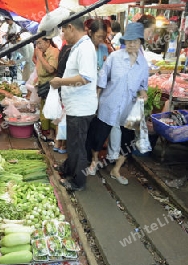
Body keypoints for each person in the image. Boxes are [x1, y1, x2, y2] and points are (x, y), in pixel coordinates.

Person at [86, 23, 148, 184]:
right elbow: (101, 81)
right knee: (98, 138)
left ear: (141, 42)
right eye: (129, 41)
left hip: (129, 109)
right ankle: (94, 162)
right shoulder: (114, 58)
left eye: (135, 41)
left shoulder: (143, 65)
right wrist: (95, 102)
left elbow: (143, 87)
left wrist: (144, 95)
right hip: (108, 106)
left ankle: (116, 170)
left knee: (127, 143)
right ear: (124, 42)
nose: (132, 44)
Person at [50, 16, 97, 192]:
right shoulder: (78, 47)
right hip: (75, 106)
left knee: (77, 146)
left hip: (81, 107)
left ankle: (78, 182)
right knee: (73, 142)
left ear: (71, 27)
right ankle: (68, 169)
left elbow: (85, 78)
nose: (63, 35)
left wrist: (60, 82)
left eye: (63, 31)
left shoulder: (85, 48)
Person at [107, 15, 155, 163]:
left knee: (125, 132)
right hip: (117, 101)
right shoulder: (119, 55)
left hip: (130, 103)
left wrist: (143, 93)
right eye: (150, 31)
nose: (151, 34)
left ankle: (118, 162)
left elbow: (142, 84)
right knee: (119, 131)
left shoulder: (141, 57)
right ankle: (115, 160)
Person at [35, 37, 59, 139]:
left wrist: (40, 57)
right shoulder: (42, 51)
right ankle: (47, 133)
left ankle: (52, 134)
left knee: (51, 110)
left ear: (48, 42)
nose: (38, 46)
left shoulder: (54, 52)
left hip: (50, 86)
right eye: (37, 44)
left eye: (40, 43)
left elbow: (50, 69)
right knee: (44, 109)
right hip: (42, 84)